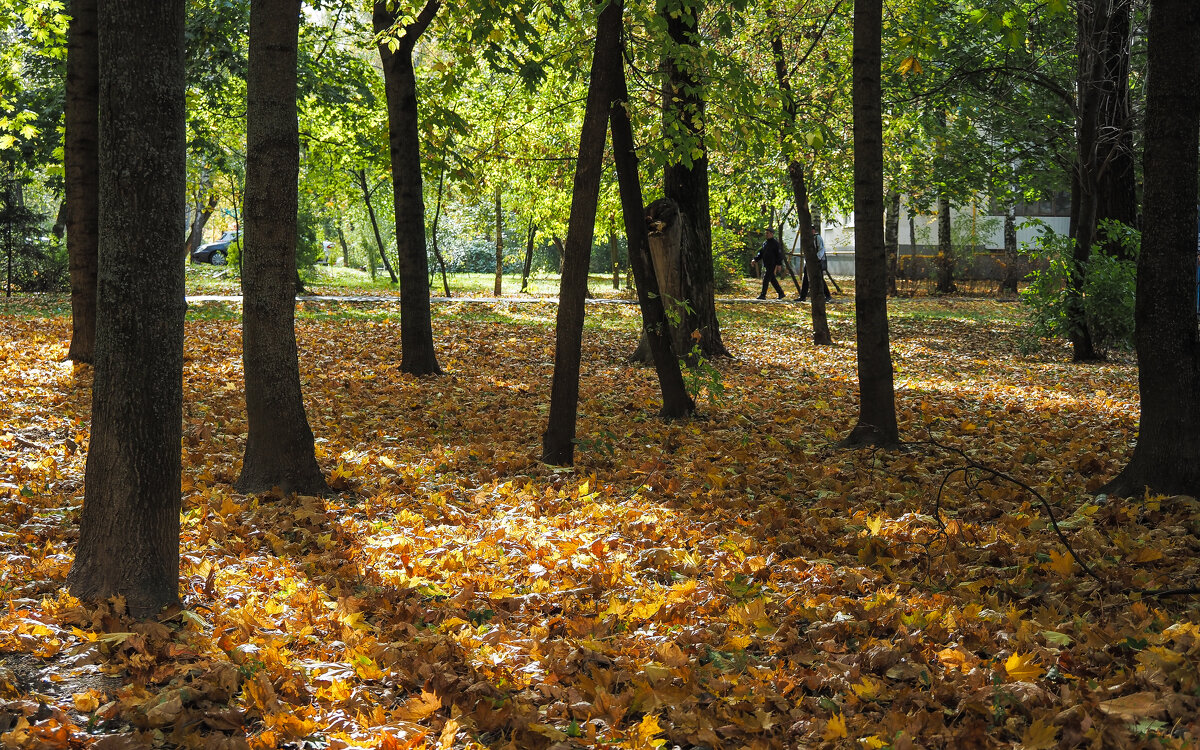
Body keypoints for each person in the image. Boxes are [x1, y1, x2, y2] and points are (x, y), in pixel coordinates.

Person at [799, 227, 832, 302]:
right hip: (808, 261)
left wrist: (816, 258)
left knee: (819, 278)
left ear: (813, 231)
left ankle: (827, 295)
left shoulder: (818, 238)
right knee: (806, 279)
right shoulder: (807, 239)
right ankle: (802, 296)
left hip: (817, 261)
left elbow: (821, 249)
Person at [754, 228, 786, 300]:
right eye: (766, 233)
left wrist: (779, 264)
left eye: (768, 233)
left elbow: (779, 254)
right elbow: (761, 253)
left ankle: (763, 295)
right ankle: (781, 293)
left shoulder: (775, 243)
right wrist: (755, 259)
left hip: (772, 264)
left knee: (766, 279)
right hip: (767, 264)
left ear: (772, 234)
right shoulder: (765, 243)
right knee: (772, 279)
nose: (766, 234)